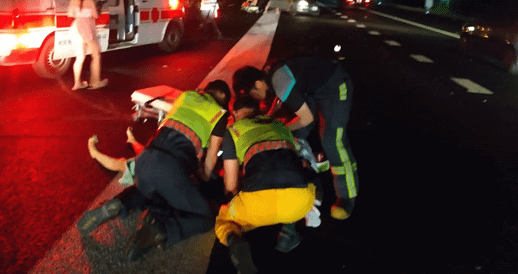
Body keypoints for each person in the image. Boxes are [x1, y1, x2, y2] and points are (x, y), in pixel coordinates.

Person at [77, 80, 232, 262]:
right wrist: (204, 176)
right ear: (223, 100)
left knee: (157, 192)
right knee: (205, 217)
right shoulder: (219, 114)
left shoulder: (187, 96)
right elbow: (212, 156)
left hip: (146, 159)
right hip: (172, 168)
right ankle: (160, 230)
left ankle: (121, 203)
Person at [232, 56, 358, 220]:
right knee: (296, 135)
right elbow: (281, 100)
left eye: (253, 94)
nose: (256, 99)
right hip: (312, 90)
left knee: (332, 139)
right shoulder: (270, 74)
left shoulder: (278, 80)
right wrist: (271, 117)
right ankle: (301, 178)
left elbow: (306, 118)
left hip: (335, 86)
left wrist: (279, 128)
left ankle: (347, 196)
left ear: (257, 84)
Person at [215, 96, 318, 274]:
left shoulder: (232, 130)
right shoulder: (280, 126)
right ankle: (288, 232)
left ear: (237, 113)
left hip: (257, 207)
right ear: (258, 111)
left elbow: (231, 185)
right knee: (306, 180)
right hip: (298, 204)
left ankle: (235, 241)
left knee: (224, 222)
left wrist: (232, 201)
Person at [67, 0, 108, 90]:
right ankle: (95, 82)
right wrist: (99, 7)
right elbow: (95, 15)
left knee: (80, 57)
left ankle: (77, 84)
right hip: (87, 29)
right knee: (96, 55)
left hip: (76, 29)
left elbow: (70, 14)